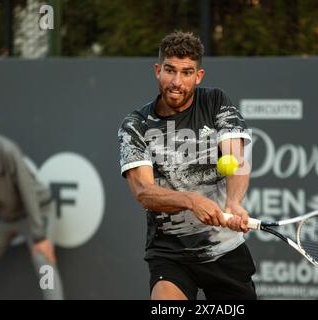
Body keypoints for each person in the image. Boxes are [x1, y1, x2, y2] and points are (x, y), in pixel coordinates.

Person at [118, 31, 257, 300]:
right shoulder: (135, 125)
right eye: (170, 71)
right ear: (158, 71)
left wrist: (235, 202)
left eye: (186, 72)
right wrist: (191, 200)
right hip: (170, 256)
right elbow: (144, 192)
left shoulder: (215, 101)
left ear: (199, 76)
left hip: (225, 251)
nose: (177, 82)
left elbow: (236, 159)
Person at [0, 106, 63, 300]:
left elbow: (27, 191)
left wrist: (40, 235)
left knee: (44, 263)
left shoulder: (5, 150)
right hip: (3, 218)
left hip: (37, 212)